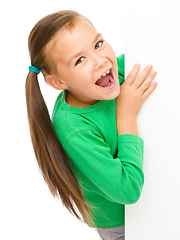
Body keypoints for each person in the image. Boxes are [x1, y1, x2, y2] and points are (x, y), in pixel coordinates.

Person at [25, 10, 157, 240]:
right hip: (121, 224)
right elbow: (128, 190)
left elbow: (152, 58)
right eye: (80, 60)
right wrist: (126, 115)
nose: (101, 61)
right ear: (59, 82)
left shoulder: (110, 71)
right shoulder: (74, 130)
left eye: (98, 44)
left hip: (153, 201)